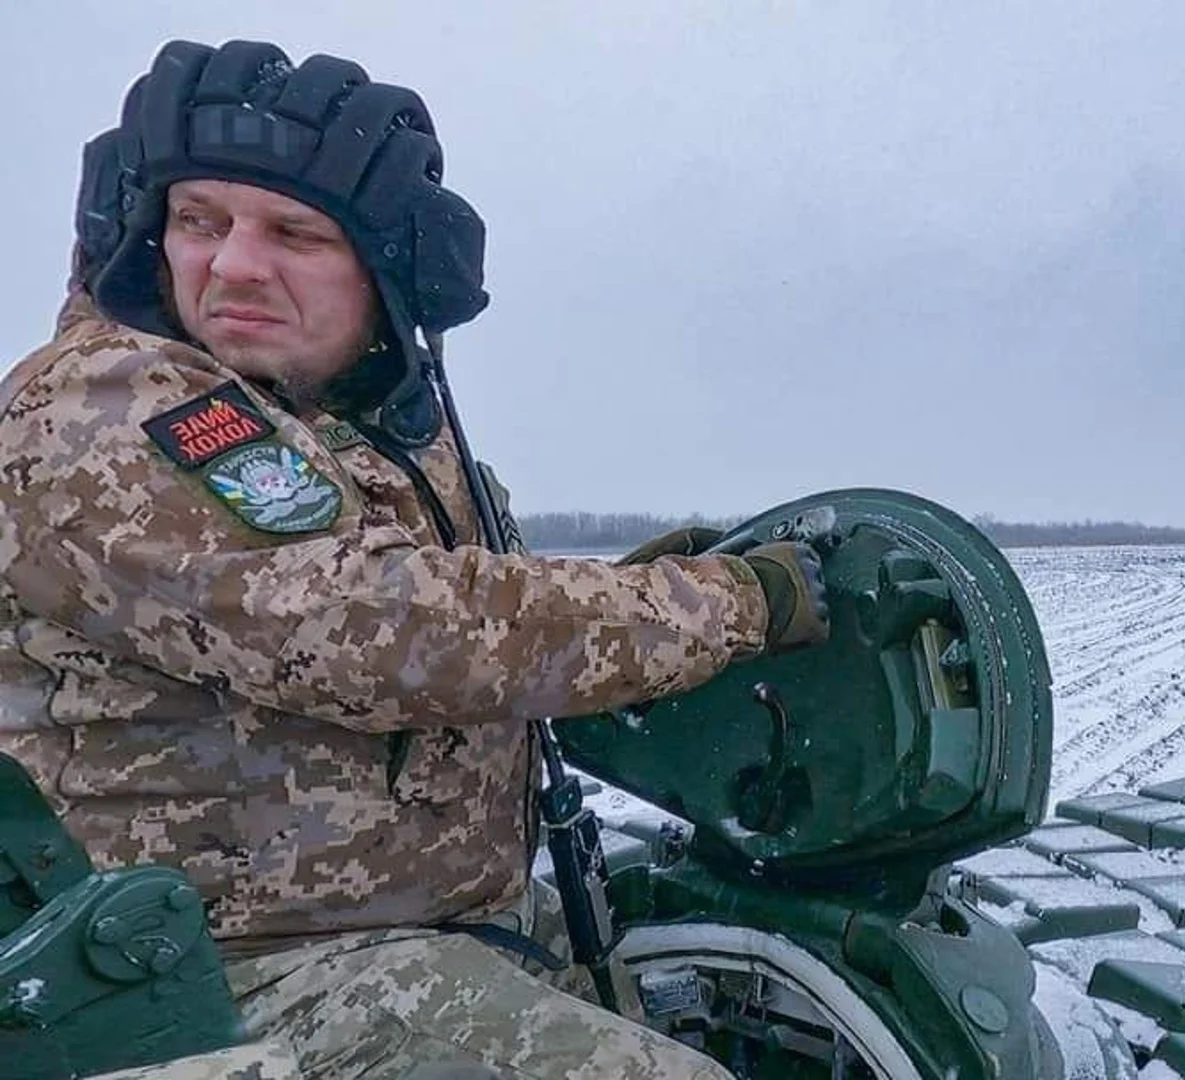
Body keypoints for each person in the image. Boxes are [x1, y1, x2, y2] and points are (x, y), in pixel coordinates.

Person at [0, 38, 831, 1080]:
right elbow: (384, 630)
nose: (234, 265)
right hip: (233, 970)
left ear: (390, 273)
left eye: (294, 233)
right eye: (199, 221)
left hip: (430, 922)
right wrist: (726, 607)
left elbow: (471, 602)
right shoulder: (106, 404)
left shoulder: (359, 420)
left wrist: (615, 600)